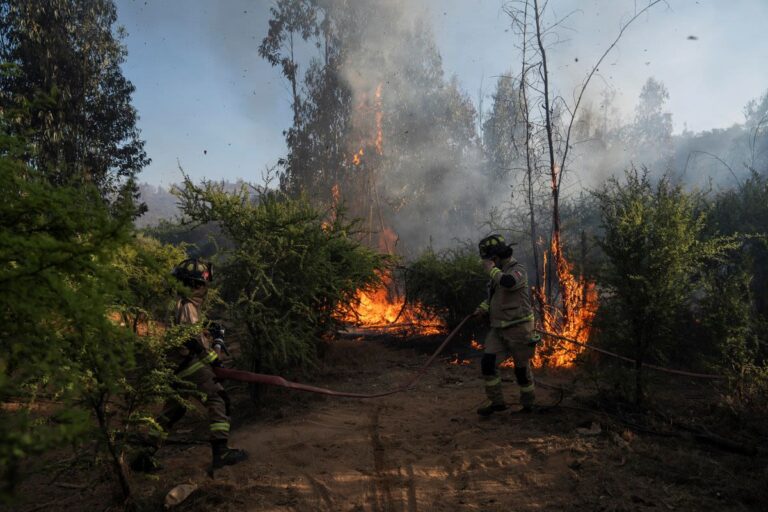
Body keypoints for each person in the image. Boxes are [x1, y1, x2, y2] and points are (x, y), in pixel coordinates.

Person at [131, 258, 248, 472]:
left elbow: (193, 335)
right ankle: (221, 451)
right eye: (203, 284)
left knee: (174, 410)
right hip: (188, 363)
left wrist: (212, 336)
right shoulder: (187, 306)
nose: (205, 289)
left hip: (176, 364)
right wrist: (215, 353)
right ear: (195, 285)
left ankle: (145, 454)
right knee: (218, 397)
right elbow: (193, 342)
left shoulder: (184, 305)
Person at [474, 234, 538, 416]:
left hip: (519, 328)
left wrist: (491, 270)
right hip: (499, 329)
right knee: (488, 363)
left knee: (521, 369)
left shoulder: (518, 270)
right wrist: (482, 308)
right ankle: (497, 403)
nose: (486, 263)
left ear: (495, 258)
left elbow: (508, 284)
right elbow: (493, 297)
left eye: (488, 259)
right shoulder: (498, 274)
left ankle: (528, 405)